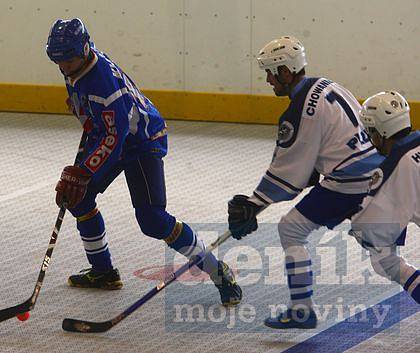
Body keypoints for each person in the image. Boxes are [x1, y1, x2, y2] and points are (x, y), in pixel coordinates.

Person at [45, 18, 241, 306]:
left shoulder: (102, 83)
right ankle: (103, 272)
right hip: (115, 135)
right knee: (79, 197)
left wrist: (84, 170)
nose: (64, 67)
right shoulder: (77, 63)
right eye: (58, 61)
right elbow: (101, 121)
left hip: (142, 142)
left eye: (69, 60)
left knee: (152, 219)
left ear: (85, 49)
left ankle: (218, 271)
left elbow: (115, 136)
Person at [227, 36, 385, 328]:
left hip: (346, 183)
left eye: (271, 74)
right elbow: (317, 157)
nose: (268, 81)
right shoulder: (329, 84)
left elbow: (289, 169)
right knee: (386, 259)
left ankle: (302, 310)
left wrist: (254, 204)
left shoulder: (299, 109)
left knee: (290, 229)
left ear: (286, 72)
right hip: (374, 175)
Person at [350, 91, 419, 304]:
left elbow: (370, 229)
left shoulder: (393, 166)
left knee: (384, 260)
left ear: (381, 131)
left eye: (371, 131)